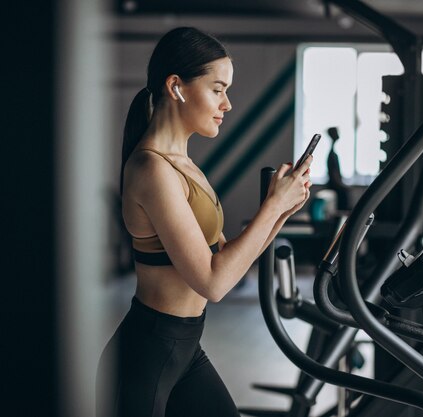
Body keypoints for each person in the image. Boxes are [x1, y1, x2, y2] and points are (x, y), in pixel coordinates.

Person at [97, 27, 313, 417]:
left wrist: (280, 210)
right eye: (217, 89)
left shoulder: (185, 166)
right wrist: (272, 208)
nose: (227, 104)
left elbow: (225, 260)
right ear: (177, 87)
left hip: (184, 348)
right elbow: (213, 283)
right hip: (145, 357)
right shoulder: (151, 168)